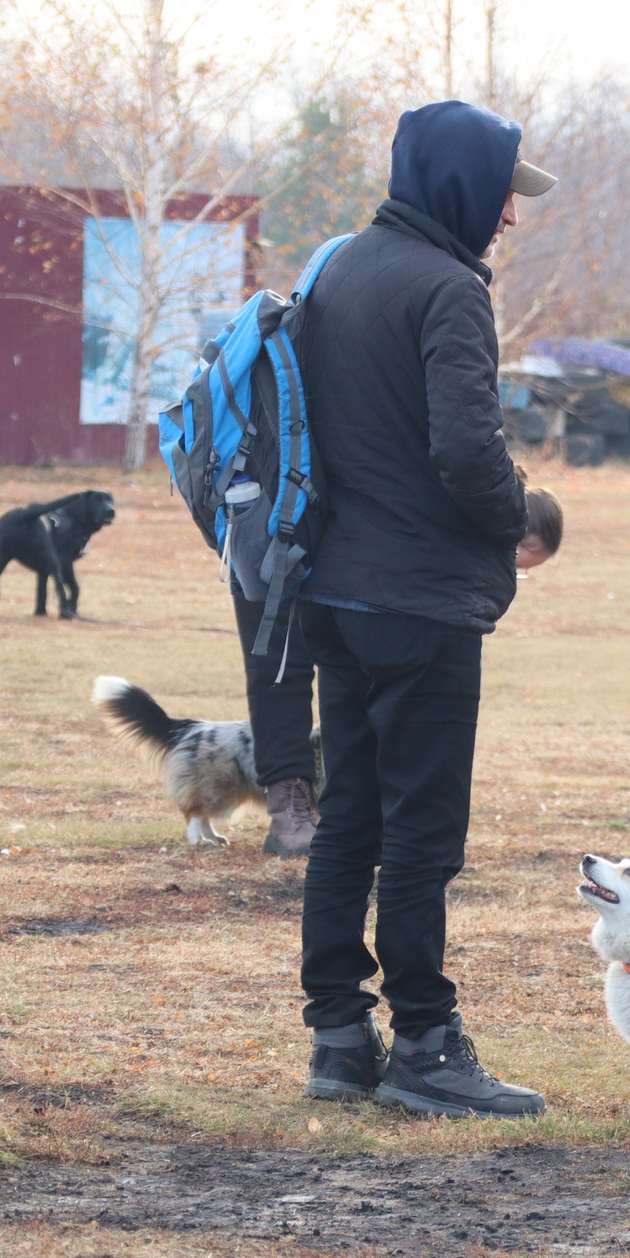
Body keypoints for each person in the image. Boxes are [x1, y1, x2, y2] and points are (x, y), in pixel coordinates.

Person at [236, 99, 559, 1119]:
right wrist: (516, 513)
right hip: (417, 601)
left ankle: (339, 1037)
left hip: (330, 589)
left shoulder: (340, 266)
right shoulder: (449, 290)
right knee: (422, 832)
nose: (509, 214)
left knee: (352, 819)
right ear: (464, 185)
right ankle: (424, 1042)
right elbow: (464, 448)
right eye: (504, 189)